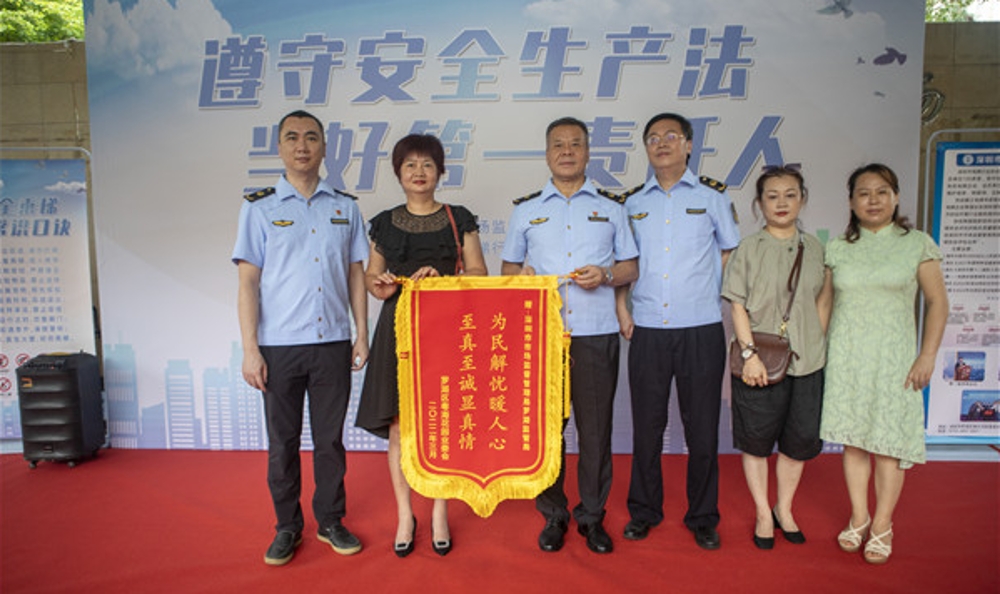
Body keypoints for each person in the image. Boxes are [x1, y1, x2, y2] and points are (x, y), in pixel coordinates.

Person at [232, 110, 369, 565]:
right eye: (292, 137)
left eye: (311, 137)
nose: (302, 145)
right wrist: (251, 350)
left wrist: (361, 333)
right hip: (279, 347)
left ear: (325, 147)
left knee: (330, 441)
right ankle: (287, 526)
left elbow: (356, 274)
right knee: (283, 443)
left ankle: (330, 521)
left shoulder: (345, 207)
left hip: (332, 342)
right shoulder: (259, 207)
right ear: (279, 147)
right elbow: (248, 283)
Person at [501, 116, 638, 555]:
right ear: (547, 154)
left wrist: (607, 274)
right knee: (547, 433)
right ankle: (553, 514)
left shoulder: (612, 207)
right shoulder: (526, 210)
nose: (566, 151)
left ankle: (592, 517)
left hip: (596, 335)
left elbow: (631, 267)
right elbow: (508, 269)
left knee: (595, 433)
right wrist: (520, 278)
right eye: (558, 144)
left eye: (575, 144)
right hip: (543, 338)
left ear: (587, 153)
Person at [355, 133, 487, 558]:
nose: (418, 172)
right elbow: (372, 279)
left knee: (441, 423)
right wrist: (381, 285)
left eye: (427, 164)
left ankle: (440, 511)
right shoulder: (384, 222)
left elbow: (480, 274)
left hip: (446, 328)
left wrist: (444, 281)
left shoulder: (458, 218)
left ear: (440, 171)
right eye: (409, 164)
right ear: (398, 172)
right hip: (398, 330)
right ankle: (405, 515)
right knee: (398, 425)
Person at [617, 112, 740, 551]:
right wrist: (622, 308)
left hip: (701, 329)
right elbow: (624, 263)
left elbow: (730, 252)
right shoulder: (631, 203)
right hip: (648, 328)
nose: (662, 143)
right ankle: (644, 511)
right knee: (647, 428)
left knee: (702, 429)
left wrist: (710, 294)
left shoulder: (712, 198)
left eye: (671, 136)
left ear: (689, 144)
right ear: (646, 148)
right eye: (653, 138)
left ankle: (703, 516)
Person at [821, 163, 948, 564]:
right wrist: (813, 354)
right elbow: (825, 304)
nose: (872, 200)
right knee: (855, 440)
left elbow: (937, 303)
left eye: (881, 192)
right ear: (851, 201)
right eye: (863, 193)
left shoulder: (917, 244)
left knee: (888, 444)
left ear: (895, 197)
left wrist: (927, 355)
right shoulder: (837, 248)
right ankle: (859, 516)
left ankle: (882, 523)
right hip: (847, 358)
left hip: (895, 360)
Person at [721, 165, 833, 550]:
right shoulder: (749, 248)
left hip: (808, 363)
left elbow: (823, 301)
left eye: (790, 194)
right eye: (772, 196)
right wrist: (749, 354)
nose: (781, 203)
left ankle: (784, 509)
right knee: (756, 441)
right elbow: (737, 305)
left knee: (798, 441)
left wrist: (816, 344)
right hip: (759, 363)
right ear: (759, 203)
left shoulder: (816, 248)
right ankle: (762, 513)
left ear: (802, 199)